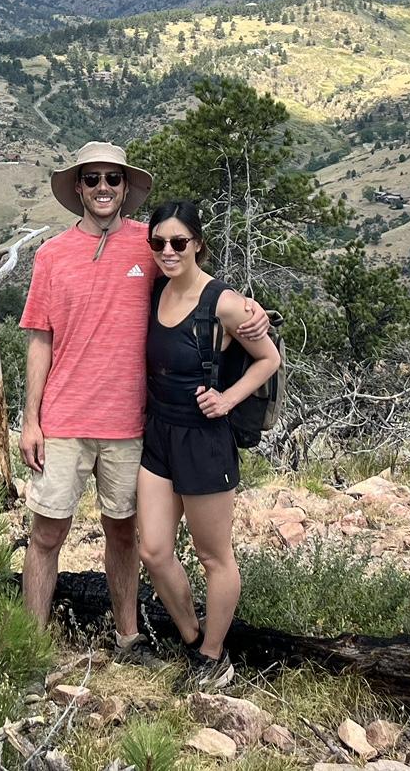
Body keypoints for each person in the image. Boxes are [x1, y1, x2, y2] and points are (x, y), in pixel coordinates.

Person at [18, 142, 268, 663]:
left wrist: (253, 310)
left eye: (113, 178)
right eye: (92, 179)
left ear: (126, 187)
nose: (103, 187)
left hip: (132, 423)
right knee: (46, 534)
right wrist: (30, 420)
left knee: (125, 535)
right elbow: (39, 338)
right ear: (79, 189)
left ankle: (129, 638)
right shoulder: (51, 256)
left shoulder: (150, 246)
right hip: (63, 419)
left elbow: (198, 287)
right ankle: (29, 649)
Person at [136, 198, 281, 687]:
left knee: (213, 555)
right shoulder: (154, 289)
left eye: (179, 242)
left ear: (197, 243)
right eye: (158, 243)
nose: (168, 251)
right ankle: (193, 634)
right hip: (159, 434)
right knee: (154, 549)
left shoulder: (222, 301)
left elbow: (268, 358)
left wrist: (228, 398)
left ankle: (212, 658)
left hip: (204, 439)